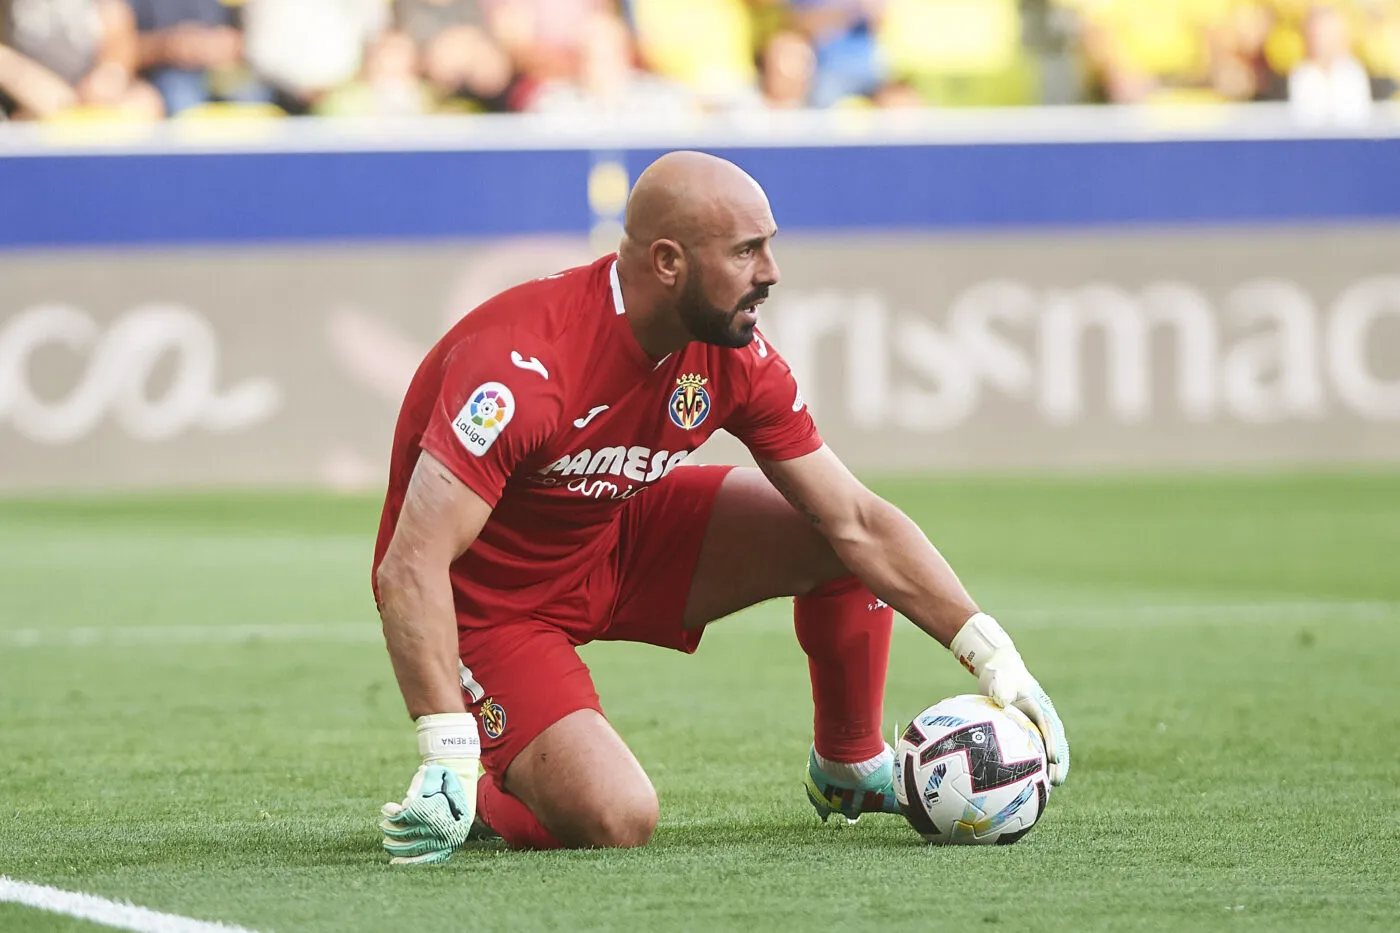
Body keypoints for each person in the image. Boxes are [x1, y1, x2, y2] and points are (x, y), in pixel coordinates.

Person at [372, 151, 1070, 862]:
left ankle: (849, 765)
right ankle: (488, 792)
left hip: (613, 533)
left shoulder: (733, 354)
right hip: (492, 606)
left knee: (829, 531)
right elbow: (411, 563)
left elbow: (856, 520)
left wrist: (993, 655)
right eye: (746, 251)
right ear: (669, 262)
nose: (771, 272)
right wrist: (447, 746)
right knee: (616, 817)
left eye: (769, 245)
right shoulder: (522, 366)